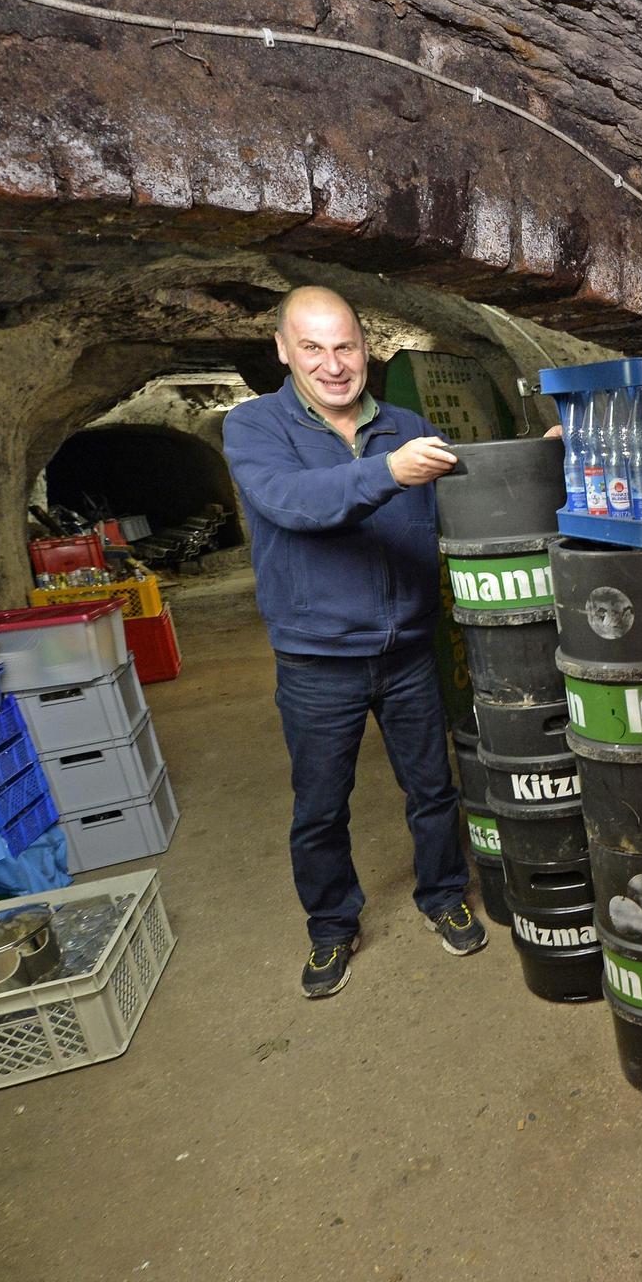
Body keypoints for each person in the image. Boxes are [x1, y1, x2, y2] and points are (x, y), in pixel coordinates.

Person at [223, 285, 485, 999]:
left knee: (432, 789)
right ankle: (332, 926)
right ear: (283, 350)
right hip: (317, 659)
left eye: (346, 346)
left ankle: (444, 893)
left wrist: (526, 457)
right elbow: (293, 504)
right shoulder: (254, 428)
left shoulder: (405, 422)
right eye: (313, 347)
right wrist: (389, 471)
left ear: (365, 350)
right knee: (320, 805)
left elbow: (459, 496)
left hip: (406, 651)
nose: (333, 364)